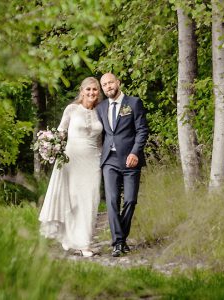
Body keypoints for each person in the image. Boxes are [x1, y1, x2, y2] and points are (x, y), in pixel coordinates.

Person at [38, 77, 103, 257]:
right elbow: (60, 133)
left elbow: (101, 141)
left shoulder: (101, 112)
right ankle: (70, 238)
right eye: (88, 89)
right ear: (82, 91)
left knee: (91, 199)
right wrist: (50, 147)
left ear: (99, 93)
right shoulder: (72, 110)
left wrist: (102, 159)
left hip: (93, 161)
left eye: (95, 90)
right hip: (71, 159)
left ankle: (85, 243)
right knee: (73, 200)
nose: (91, 93)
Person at [96, 73, 148, 257]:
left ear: (118, 82)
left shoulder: (133, 103)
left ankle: (121, 238)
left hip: (130, 160)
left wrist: (135, 152)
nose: (108, 86)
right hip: (109, 160)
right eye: (104, 85)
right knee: (111, 200)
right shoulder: (101, 108)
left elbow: (142, 130)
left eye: (110, 82)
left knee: (130, 200)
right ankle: (118, 242)